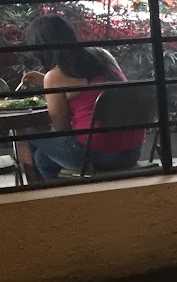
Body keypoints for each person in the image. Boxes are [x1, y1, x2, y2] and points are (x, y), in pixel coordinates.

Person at [16, 15, 145, 182]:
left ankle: (48, 195)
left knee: (32, 134)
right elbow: (99, 90)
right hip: (132, 150)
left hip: (97, 155)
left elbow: (62, 129)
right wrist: (45, 81)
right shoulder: (103, 55)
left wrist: (50, 83)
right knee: (43, 158)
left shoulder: (55, 77)